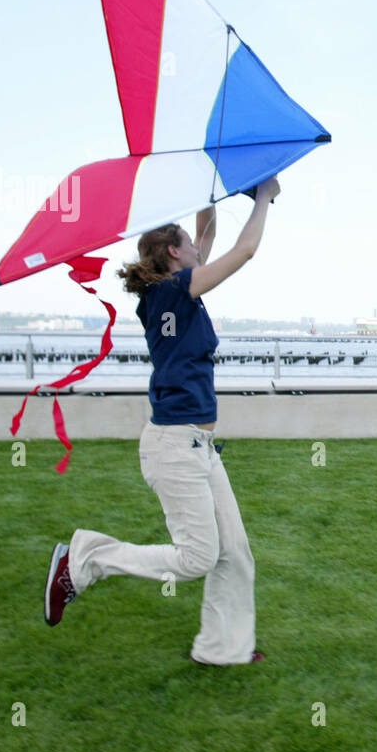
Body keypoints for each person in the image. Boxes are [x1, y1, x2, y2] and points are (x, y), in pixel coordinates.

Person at [42, 176, 281, 666]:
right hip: (175, 446)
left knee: (233, 550)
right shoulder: (175, 289)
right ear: (174, 253)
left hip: (195, 446)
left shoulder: (166, 291)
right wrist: (262, 198)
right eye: (189, 244)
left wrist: (212, 193)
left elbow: (208, 238)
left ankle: (223, 649)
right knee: (197, 558)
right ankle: (84, 560)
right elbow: (245, 250)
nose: (198, 247)